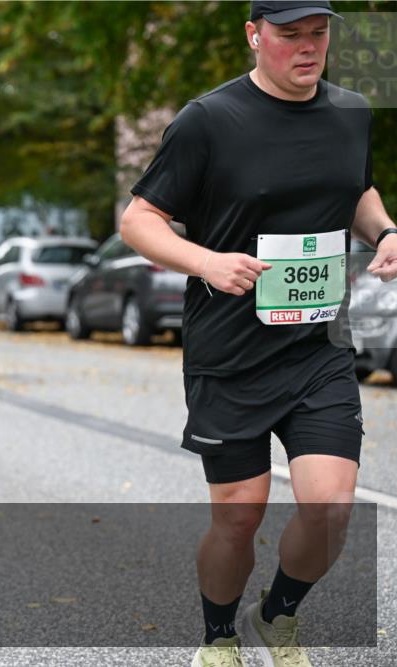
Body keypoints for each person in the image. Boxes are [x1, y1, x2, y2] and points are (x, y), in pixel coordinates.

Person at [119, 2, 397, 666]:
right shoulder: (209, 120)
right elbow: (140, 219)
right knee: (238, 516)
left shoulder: (349, 111)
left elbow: (353, 189)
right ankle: (218, 636)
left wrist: (384, 230)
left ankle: (277, 615)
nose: (308, 48)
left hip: (318, 348)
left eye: (318, 34)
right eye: (289, 35)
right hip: (231, 352)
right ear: (254, 36)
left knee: (330, 506)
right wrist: (206, 260)